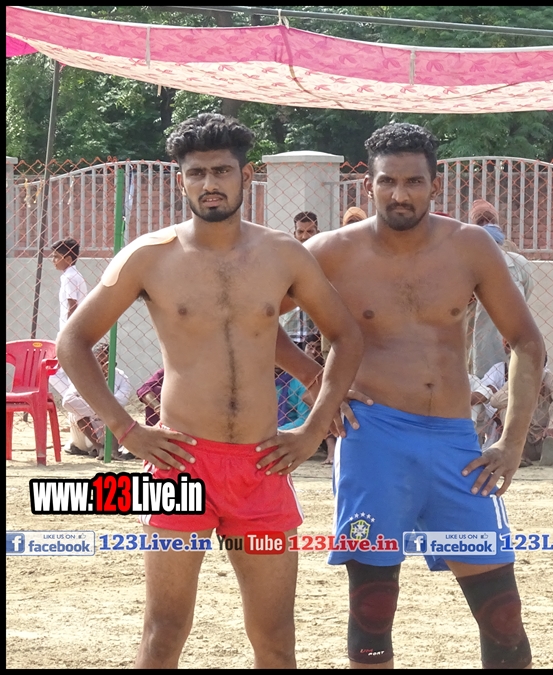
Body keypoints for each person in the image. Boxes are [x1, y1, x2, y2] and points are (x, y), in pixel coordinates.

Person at [55, 113, 363, 668]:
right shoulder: (148, 256)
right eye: (197, 173)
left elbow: (346, 335)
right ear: (181, 181)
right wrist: (126, 429)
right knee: (163, 632)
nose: (209, 183)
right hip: (180, 465)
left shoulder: (283, 254)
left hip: (262, 464)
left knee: (275, 638)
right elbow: (73, 342)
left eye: (222, 170)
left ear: (246, 176)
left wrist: (313, 427)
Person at [273, 122, 544, 669]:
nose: (400, 194)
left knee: (503, 615)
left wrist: (512, 443)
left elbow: (526, 343)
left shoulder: (469, 246)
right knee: (372, 608)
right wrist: (318, 382)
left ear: (434, 184)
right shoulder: (330, 251)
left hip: (456, 441)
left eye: (413, 182)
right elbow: (260, 321)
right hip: (372, 438)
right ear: (368, 185)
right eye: (388, 182)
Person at [466, 198, 535, 378]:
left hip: (505, 315)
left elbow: (524, 286)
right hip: (473, 318)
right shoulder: (466, 248)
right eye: (480, 221)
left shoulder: (510, 250)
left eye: (489, 219)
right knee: (475, 363)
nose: (486, 224)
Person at [54, 341, 135, 460]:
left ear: (113, 364)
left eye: (104, 363)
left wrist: (94, 406)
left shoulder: (122, 378)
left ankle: (112, 450)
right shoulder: (83, 375)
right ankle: (98, 448)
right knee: (75, 413)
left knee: (118, 412)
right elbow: (68, 401)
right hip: (85, 434)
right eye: (97, 362)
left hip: (110, 428)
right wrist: (101, 410)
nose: (100, 367)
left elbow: (121, 402)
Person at [280, 211, 322, 350]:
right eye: (300, 232)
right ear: (294, 234)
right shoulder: (285, 261)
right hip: (290, 332)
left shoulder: (324, 260)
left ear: (317, 232)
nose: (305, 236)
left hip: (316, 334)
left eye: (310, 231)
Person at [51, 237, 88, 337]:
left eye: (56, 257)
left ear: (68, 259)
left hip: (71, 330)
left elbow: (72, 305)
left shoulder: (69, 277)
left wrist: (68, 331)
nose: (53, 260)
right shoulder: (75, 275)